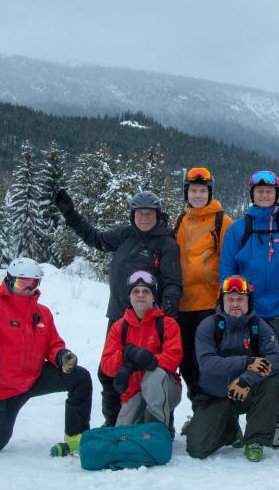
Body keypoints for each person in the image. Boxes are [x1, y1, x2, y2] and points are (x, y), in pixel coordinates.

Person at [54, 188, 182, 426]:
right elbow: (95, 238)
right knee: (109, 371)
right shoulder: (125, 234)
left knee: (154, 368)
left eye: (149, 213)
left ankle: (162, 422)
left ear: (158, 215)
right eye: (140, 213)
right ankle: (112, 421)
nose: (145, 218)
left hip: (150, 320)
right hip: (119, 317)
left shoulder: (166, 242)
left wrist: (169, 304)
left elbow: (172, 280)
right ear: (133, 215)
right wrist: (71, 214)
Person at [0, 258, 92, 455]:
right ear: (9, 281)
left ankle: (76, 437)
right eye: (21, 283)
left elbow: (53, 344)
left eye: (33, 284)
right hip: (5, 388)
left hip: (36, 376)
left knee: (80, 378)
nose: (27, 289)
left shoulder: (43, 313)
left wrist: (61, 356)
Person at [219, 170, 279, 445]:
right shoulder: (238, 229)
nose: (264, 194)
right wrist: (229, 302)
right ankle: (236, 421)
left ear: (276, 195)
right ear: (252, 195)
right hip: (247, 312)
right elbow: (227, 269)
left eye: (269, 191)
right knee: (243, 365)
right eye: (259, 191)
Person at [186, 276, 279, 462]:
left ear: (249, 301)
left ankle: (255, 440)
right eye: (230, 299)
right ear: (222, 301)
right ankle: (230, 431)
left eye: (240, 299)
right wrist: (246, 362)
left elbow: (276, 359)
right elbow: (207, 363)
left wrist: (246, 379)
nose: (235, 304)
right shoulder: (208, 326)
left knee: (271, 381)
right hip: (215, 396)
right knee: (197, 449)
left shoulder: (258, 326)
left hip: (245, 391)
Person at [173, 167, 233, 407]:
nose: (197, 195)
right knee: (186, 362)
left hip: (209, 304)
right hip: (183, 304)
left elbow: (230, 263)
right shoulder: (180, 220)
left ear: (210, 193)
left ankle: (214, 412)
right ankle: (199, 410)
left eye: (202, 191)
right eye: (193, 191)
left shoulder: (222, 221)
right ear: (186, 193)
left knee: (206, 361)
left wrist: (223, 299)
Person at [100, 271, 183, 429]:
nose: (140, 295)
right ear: (129, 297)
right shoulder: (119, 327)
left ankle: (157, 432)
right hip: (133, 393)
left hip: (165, 388)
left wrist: (144, 360)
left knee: (154, 375)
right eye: (135, 291)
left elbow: (173, 358)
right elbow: (107, 366)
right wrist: (125, 357)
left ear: (153, 297)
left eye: (146, 291)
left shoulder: (168, 324)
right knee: (123, 434)